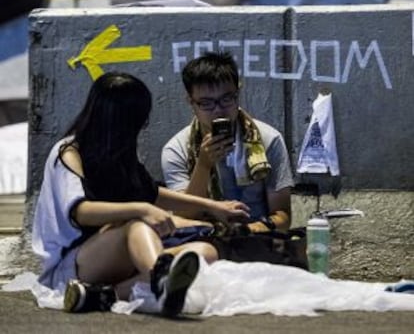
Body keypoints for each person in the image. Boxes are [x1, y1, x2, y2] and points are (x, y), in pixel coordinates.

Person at [32, 72, 249, 317]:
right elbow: (81, 212)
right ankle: (161, 282)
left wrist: (213, 207)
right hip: (72, 264)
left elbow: (152, 193)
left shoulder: (118, 153)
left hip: (112, 263)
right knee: (136, 226)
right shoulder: (68, 152)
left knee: (205, 252)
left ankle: (103, 295)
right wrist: (140, 209)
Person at [162, 51, 294, 234]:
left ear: (237, 94)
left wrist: (248, 230)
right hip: (204, 236)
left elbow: (283, 216)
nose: (218, 110)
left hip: (257, 236)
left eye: (226, 99)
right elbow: (184, 216)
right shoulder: (176, 149)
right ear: (191, 102)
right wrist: (203, 166)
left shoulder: (268, 139)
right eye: (206, 103)